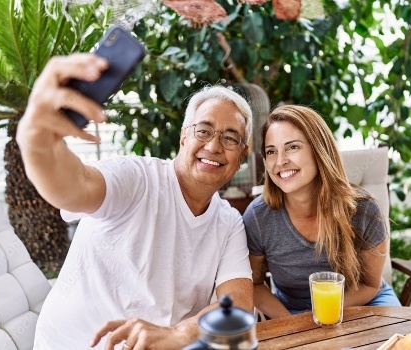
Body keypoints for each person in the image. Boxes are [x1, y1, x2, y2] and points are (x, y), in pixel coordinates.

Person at [16, 53, 254, 349]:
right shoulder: (135, 178)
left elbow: (239, 305)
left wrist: (179, 333)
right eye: (203, 130)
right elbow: (73, 185)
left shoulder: (228, 222)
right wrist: (36, 138)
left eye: (231, 138)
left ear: (242, 155)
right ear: (183, 137)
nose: (214, 145)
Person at [243, 105, 400, 318]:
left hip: (363, 302)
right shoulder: (259, 218)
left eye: (293, 147)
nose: (280, 161)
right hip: (292, 313)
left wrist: (323, 315)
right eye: (271, 151)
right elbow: (255, 284)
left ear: (319, 150)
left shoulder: (363, 210)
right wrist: (293, 324)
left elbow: (370, 285)